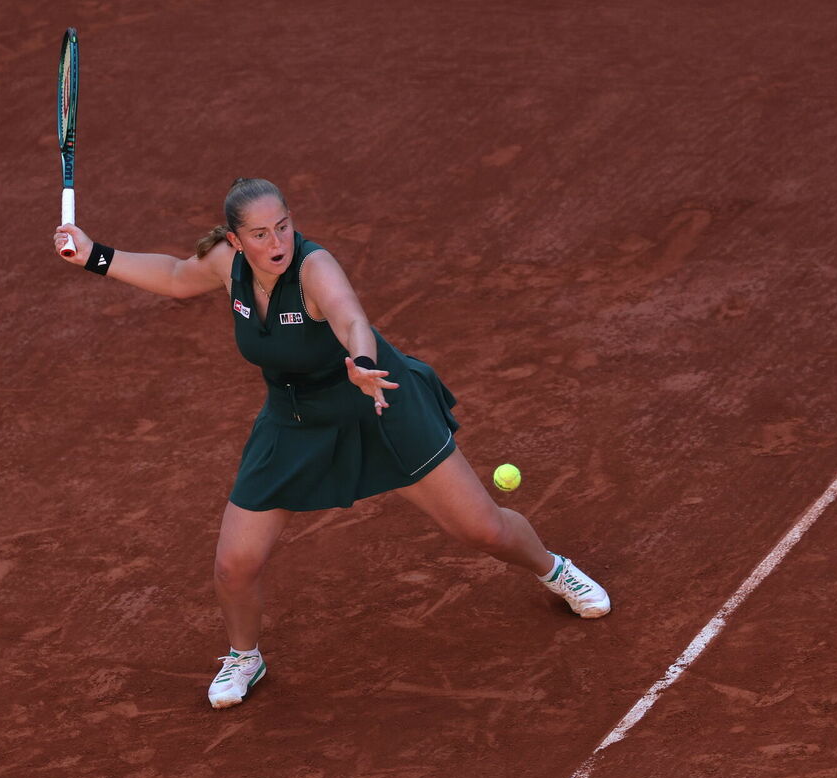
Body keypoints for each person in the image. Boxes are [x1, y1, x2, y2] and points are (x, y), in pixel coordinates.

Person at [53, 178, 611, 709]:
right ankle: (244, 657)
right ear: (234, 241)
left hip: (377, 404)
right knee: (234, 565)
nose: (277, 242)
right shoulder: (228, 267)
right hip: (294, 421)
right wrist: (94, 255)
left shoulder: (313, 268)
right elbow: (176, 275)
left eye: (284, 226)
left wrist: (364, 364)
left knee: (481, 528)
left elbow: (350, 318)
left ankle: (552, 569)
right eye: (261, 233)